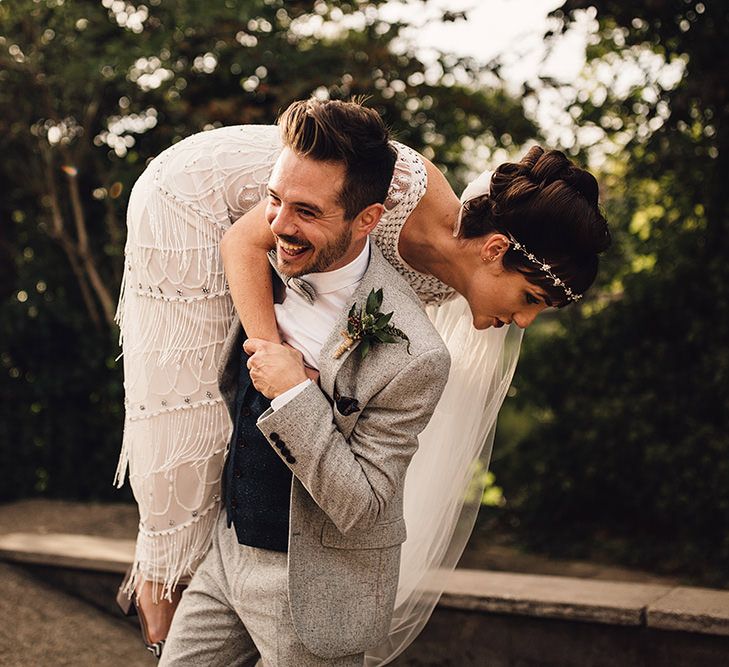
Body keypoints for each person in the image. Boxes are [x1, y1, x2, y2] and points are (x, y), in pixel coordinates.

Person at [115, 98, 610, 662]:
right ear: (495, 250)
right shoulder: (390, 187)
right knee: (186, 415)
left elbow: (368, 464)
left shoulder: (428, 313)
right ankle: (159, 595)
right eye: (530, 300)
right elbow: (249, 240)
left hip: (299, 549)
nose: (522, 322)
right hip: (198, 200)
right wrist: (270, 353)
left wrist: (295, 392)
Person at [157, 102, 450, 664]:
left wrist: (293, 393)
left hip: (313, 588)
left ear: (367, 220)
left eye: (307, 212)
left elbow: (364, 505)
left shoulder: (415, 355)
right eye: (274, 200)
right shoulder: (266, 257)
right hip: (226, 553)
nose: (279, 226)